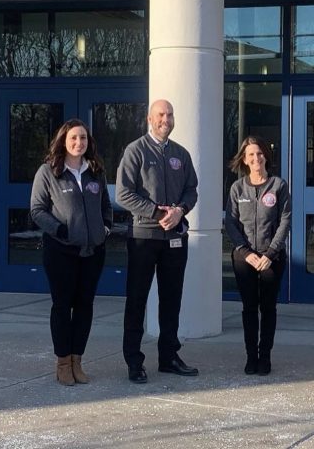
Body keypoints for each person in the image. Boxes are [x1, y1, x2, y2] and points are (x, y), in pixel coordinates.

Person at [116, 99, 198, 384]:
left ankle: (168, 357)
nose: (166, 119)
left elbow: (192, 190)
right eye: (161, 115)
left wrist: (179, 211)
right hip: (143, 237)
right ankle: (134, 361)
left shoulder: (180, 154)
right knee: (137, 299)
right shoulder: (135, 151)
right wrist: (154, 211)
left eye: (170, 114)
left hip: (174, 238)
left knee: (171, 299)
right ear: (150, 119)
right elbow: (123, 194)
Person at [30, 119, 112, 386]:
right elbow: (37, 210)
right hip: (61, 251)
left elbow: (105, 206)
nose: (79, 143)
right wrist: (59, 230)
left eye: (84, 138)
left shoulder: (96, 171)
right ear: (63, 141)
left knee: (85, 307)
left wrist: (106, 228)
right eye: (74, 138)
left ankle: (78, 360)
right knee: (63, 307)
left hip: (93, 252)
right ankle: (63, 362)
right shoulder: (49, 172)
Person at [225, 136, 291, 376]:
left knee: (269, 308)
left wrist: (271, 253)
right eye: (251, 155)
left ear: (266, 156)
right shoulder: (237, 188)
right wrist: (245, 252)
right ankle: (251, 356)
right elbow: (230, 222)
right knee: (249, 308)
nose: (256, 158)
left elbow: (284, 221)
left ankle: (265, 357)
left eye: (259, 153)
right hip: (245, 259)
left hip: (271, 258)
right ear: (244, 159)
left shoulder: (278, 186)